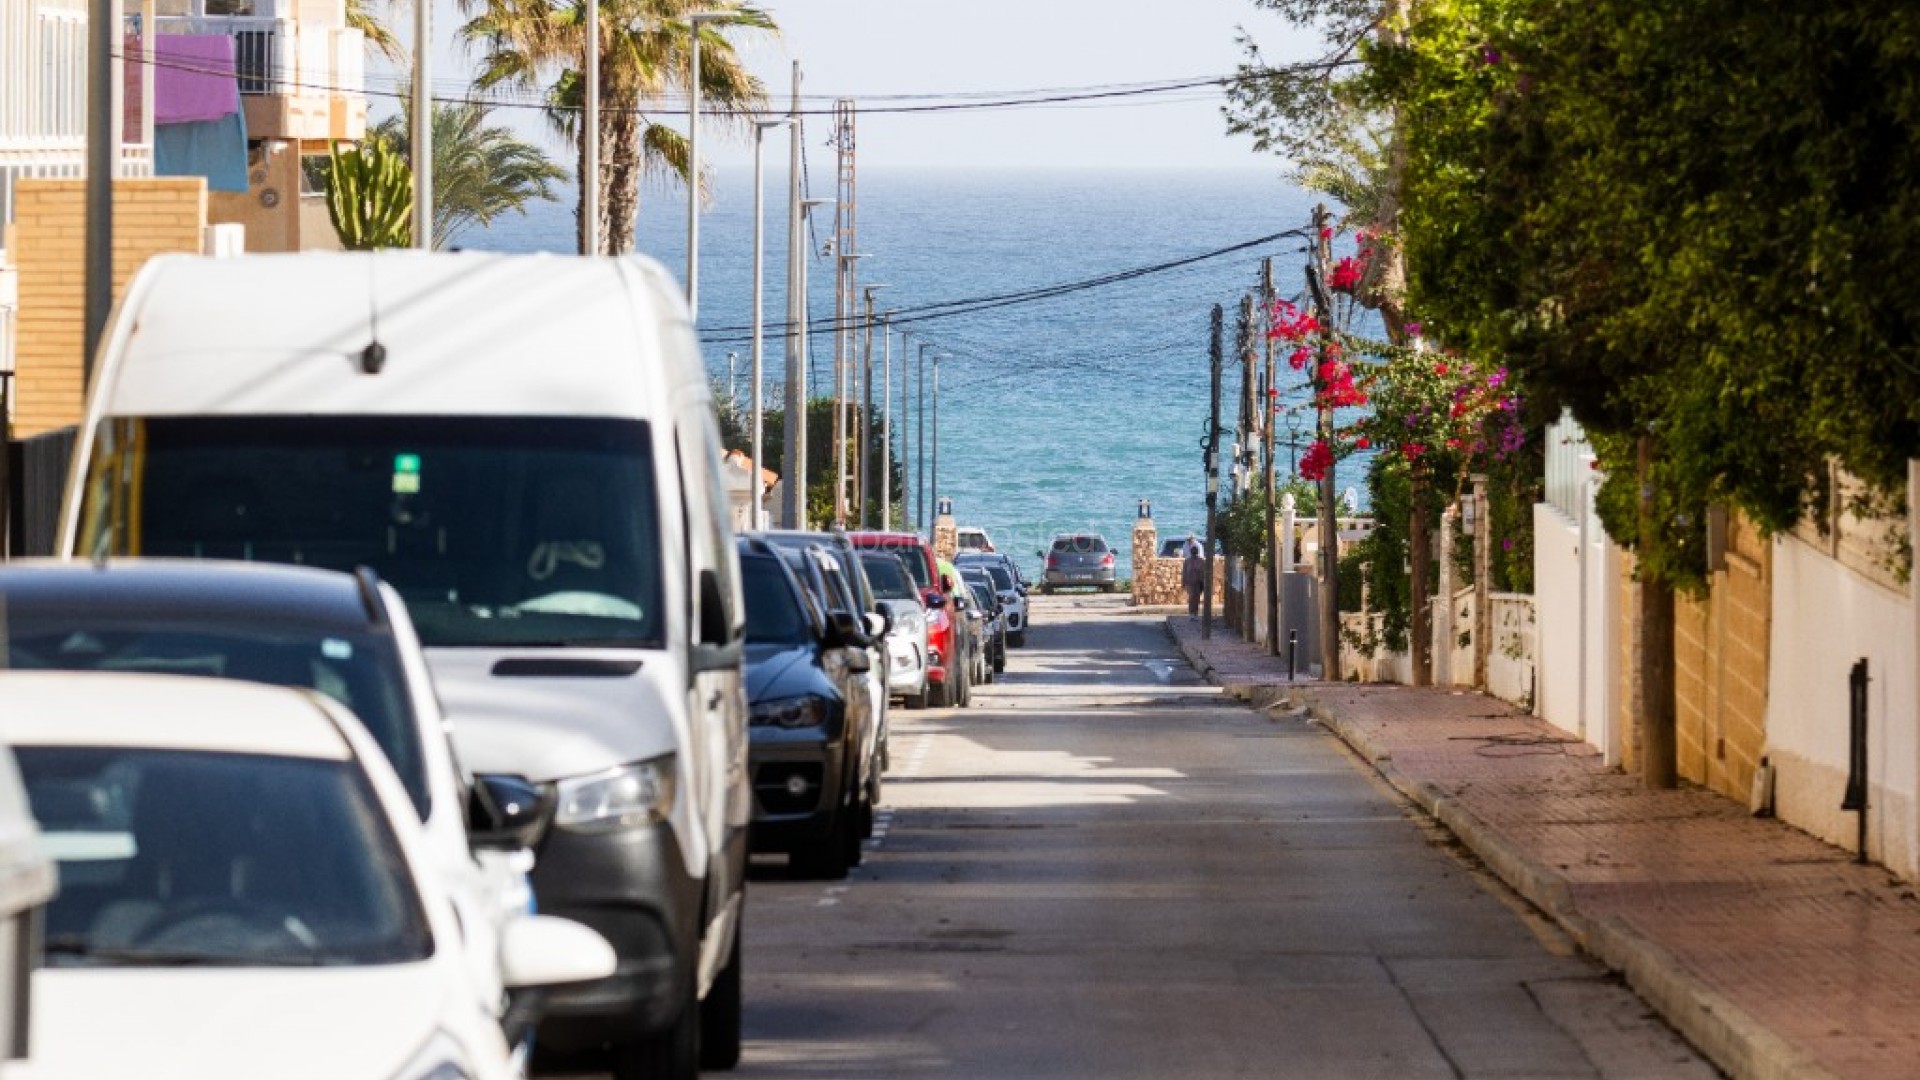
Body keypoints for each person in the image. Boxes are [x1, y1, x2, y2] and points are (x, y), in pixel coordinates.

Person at [1181, 535, 1206, 618]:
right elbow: (1184, 572)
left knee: (1197, 598)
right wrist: (1183, 583)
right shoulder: (1187, 561)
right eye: (1193, 551)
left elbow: (1203, 572)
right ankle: (1191, 613)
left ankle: (1195, 613)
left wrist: (1203, 583)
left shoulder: (1201, 561)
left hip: (1198, 583)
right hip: (1190, 583)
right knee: (1191, 598)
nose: (1194, 552)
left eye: (1195, 551)